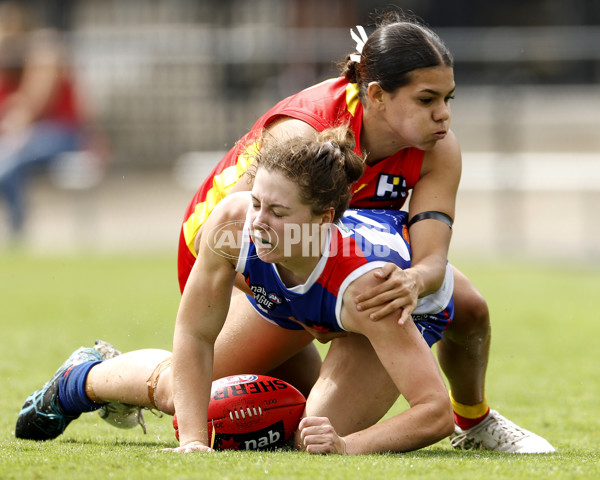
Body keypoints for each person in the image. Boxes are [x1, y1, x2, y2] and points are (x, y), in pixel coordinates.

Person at [176, 10, 554, 453]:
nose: (444, 115)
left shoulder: (439, 149)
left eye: (449, 98)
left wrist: (411, 281)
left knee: (465, 304)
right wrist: (326, 308)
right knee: (183, 393)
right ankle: (88, 378)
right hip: (250, 267)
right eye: (427, 99)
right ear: (376, 95)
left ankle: (473, 420)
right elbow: (248, 233)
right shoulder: (306, 134)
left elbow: (431, 259)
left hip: (328, 268)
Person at [16, 127, 457, 454]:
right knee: (185, 395)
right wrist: (192, 443)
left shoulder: (368, 289)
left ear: (323, 220)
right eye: (258, 202)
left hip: (367, 318)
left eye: (279, 212)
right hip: (298, 298)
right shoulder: (234, 223)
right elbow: (194, 334)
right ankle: (83, 378)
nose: (259, 222)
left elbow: (435, 412)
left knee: (316, 431)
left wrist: (348, 446)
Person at [0, 2, 102, 239]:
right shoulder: (12, 66)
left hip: (64, 134)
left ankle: (18, 230)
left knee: (7, 165)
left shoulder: (44, 51)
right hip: (36, 135)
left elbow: (32, 106)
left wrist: (17, 130)